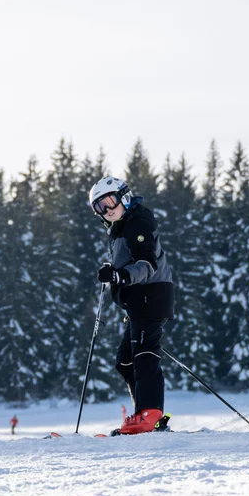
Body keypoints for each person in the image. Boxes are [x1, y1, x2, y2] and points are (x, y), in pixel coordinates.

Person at [87, 176, 176, 436]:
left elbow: (147, 264)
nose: (107, 209)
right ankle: (142, 414)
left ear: (123, 195)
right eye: (99, 208)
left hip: (152, 295)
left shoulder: (138, 221)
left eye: (109, 201)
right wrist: (112, 272)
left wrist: (119, 276)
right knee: (125, 361)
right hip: (139, 301)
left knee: (144, 354)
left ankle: (150, 414)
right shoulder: (120, 227)